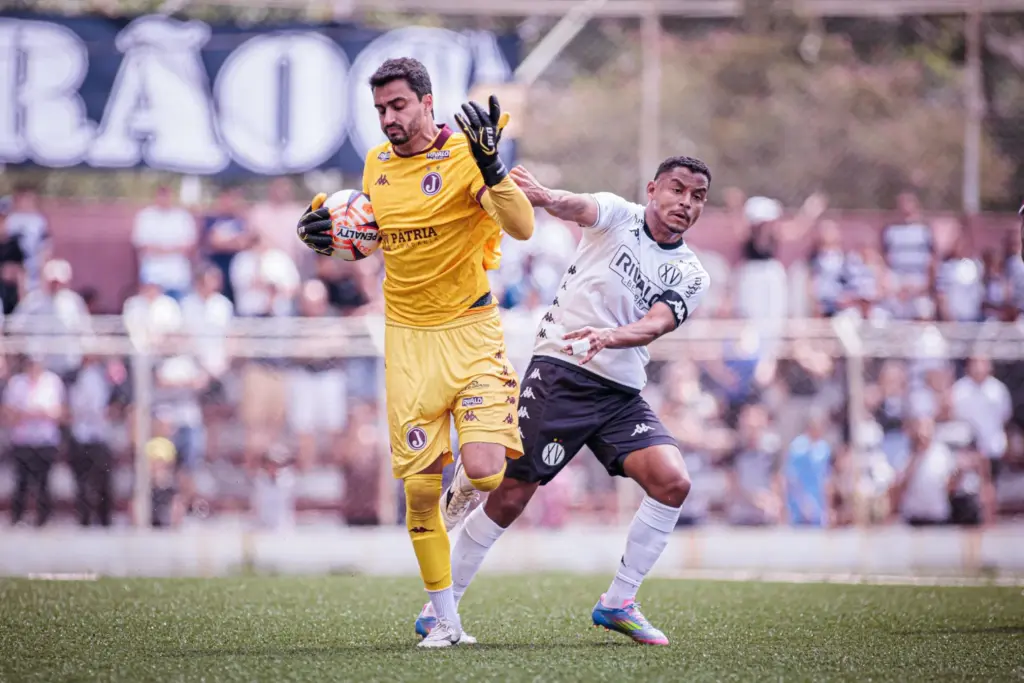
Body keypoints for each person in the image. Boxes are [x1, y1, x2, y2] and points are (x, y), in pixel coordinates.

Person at [414, 157, 712, 646]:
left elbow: (657, 323)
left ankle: (618, 602)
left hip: (619, 392)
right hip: (562, 371)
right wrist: (547, 197)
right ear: (652, 189)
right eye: (676, 189)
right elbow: (578, 206)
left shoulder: (692, 273)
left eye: (697, 196)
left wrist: (610, 336)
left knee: (673, 482)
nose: (685, 202)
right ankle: (438, 608)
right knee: (511, 497)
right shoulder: (620, 215)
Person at [295, 57, 535, 648]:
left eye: (398, 105)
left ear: (428, 102)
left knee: (487, 471)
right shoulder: (375, 164)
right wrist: (325, 234)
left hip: (472, 333)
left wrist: (491, 166)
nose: (388, 119)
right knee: (420, 491)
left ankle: (460, 506)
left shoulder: (466, 155)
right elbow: (367, 232)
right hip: (407, 341)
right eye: (380, 109)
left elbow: (523, 225)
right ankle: (445, 622)